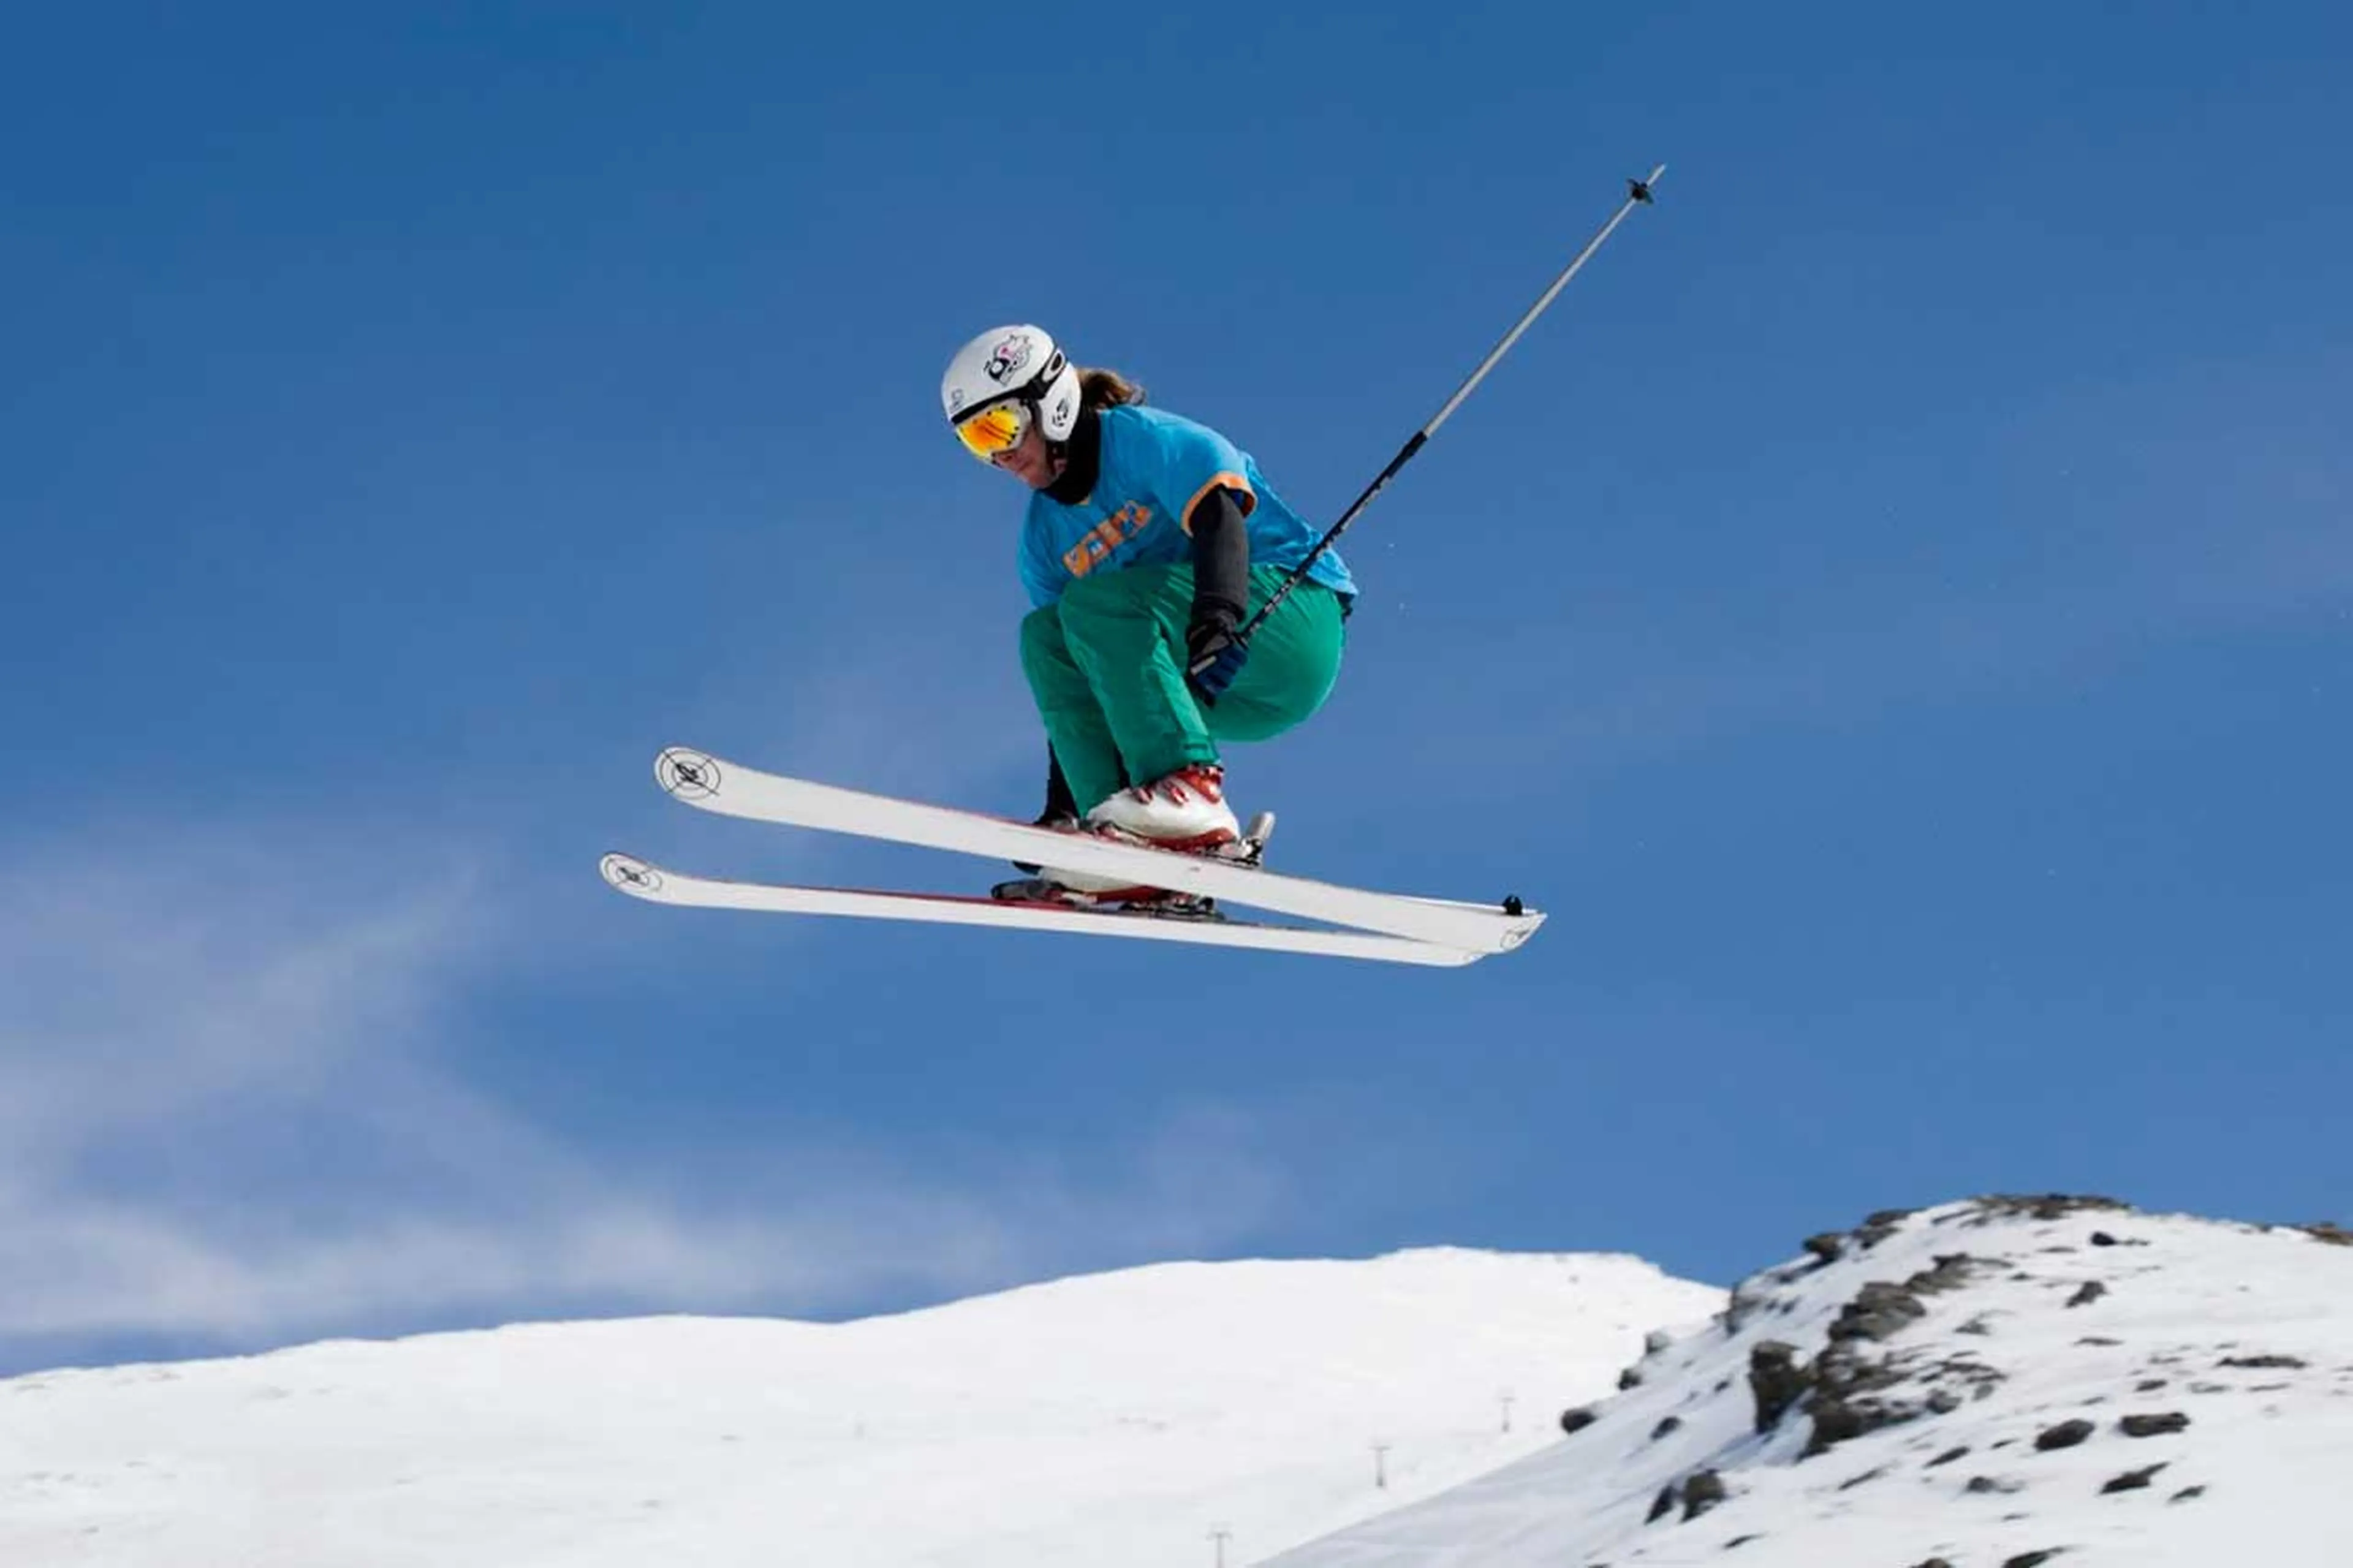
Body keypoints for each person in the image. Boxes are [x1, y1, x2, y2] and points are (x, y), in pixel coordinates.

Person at [941, 323, 1357, 898]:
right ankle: (1108, 830)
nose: (999, 454)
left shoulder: (1143, 441)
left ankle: (1190, 788)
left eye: (1000, 426)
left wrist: (1218, 619)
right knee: (1044, 635)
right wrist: (1059, 811)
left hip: (1288, 624)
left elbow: (1219, 515)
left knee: (1091, 604)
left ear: (1049, 402)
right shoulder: (1042, 541)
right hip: (1206, 689)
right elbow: (1078, 669)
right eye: (976, 442)